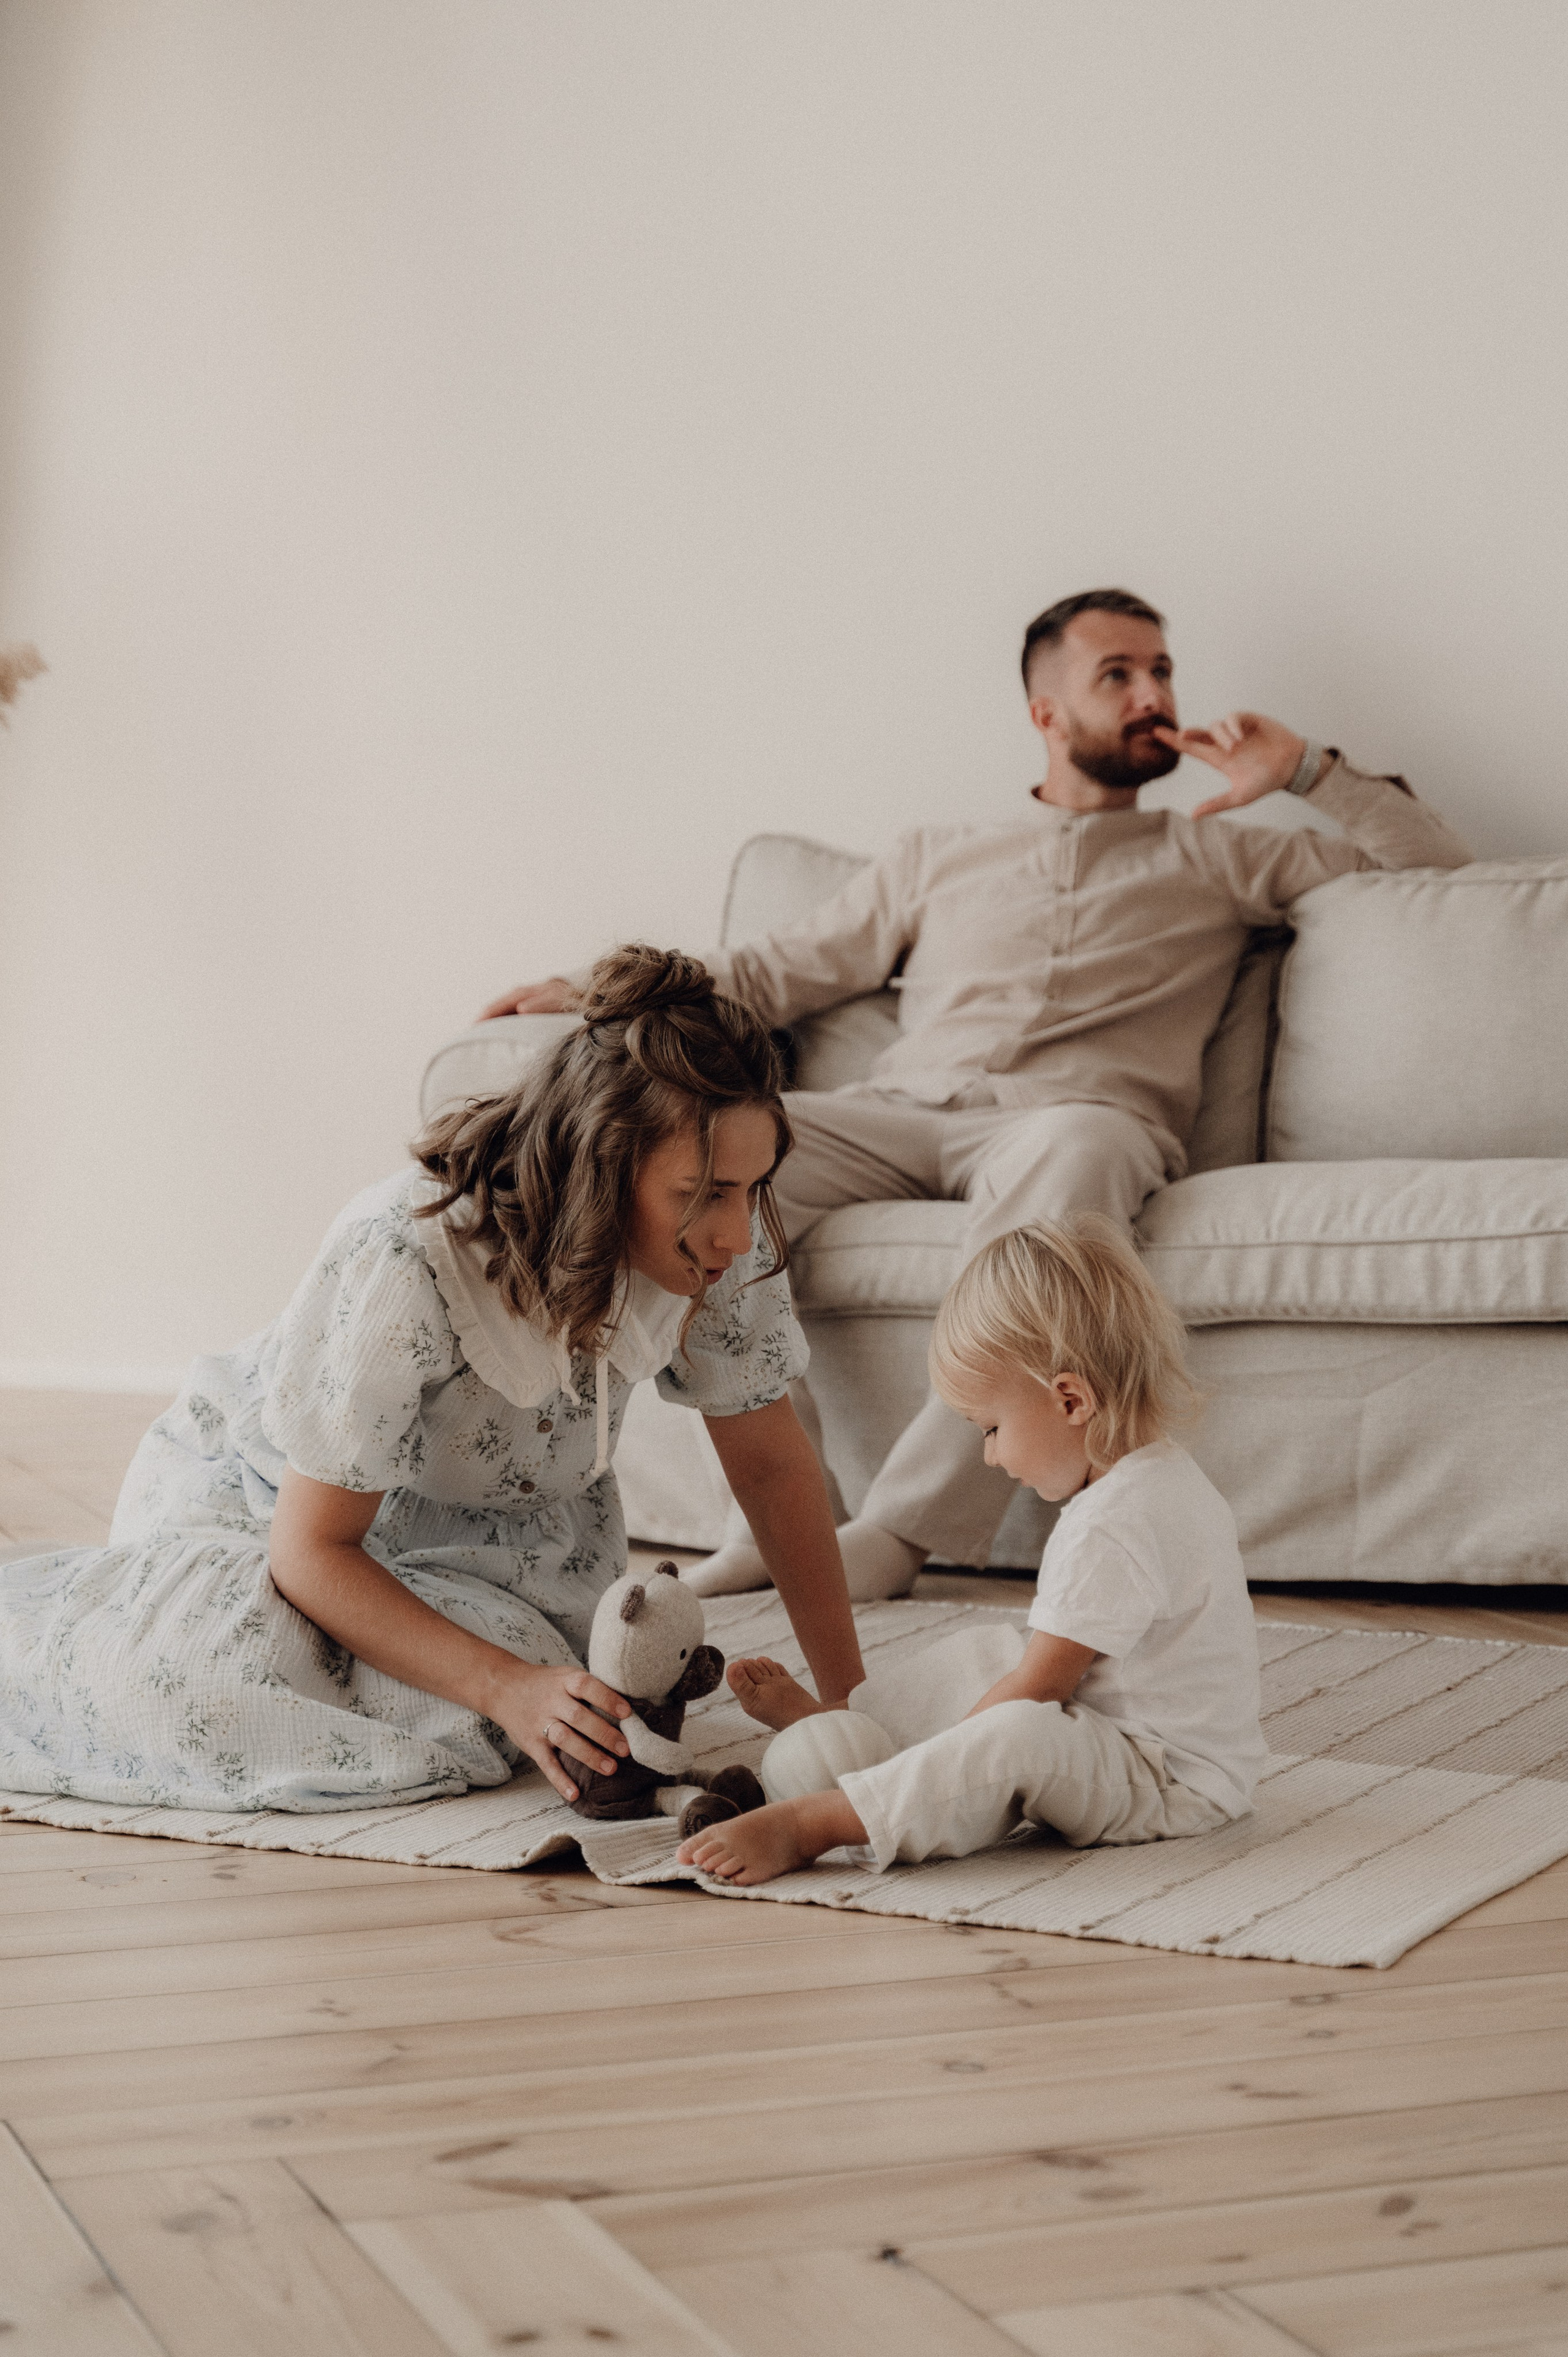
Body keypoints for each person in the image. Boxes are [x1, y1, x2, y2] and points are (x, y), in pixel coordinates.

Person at [480, 588, 1471, 1598]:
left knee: (1075, 1152)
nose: (1152, 693)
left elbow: (1433, 876)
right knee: (695, 1160)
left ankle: (901, 1532)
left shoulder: (1221, 851)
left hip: (1076, 1121)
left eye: (1162, 671)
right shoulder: (936, 856)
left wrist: (1305, 769)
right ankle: (781, 1517)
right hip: (900, 1112)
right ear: (1047, 714)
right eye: (1118, 674)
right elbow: (778, 970)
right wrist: (596, 988)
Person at [0, 948, 863, 1814]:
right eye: (705, 1194)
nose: (738, 1233)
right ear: (603, 1161)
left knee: (530, 1708)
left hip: (511, 1553)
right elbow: (310, 1548)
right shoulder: (407, 1258)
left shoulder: (720, 1252)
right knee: (232, 1692)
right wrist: (504, 1688)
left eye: (753, 1190)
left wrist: (848, 1709)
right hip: (275, 1515)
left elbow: (771, 1469)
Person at [676, 1216, 1264, 1885]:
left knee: (1016, 1731)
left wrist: (962, 1747)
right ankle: (849, 1730)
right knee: (993, 1654)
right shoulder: (1164, 1475)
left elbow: (1040, 1694)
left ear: (1070, 1398)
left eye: (991, 1427)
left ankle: (826, 1818)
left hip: (1166, 1781)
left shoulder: (1111, 1523)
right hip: (1144, 1750)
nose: (988, 1454)